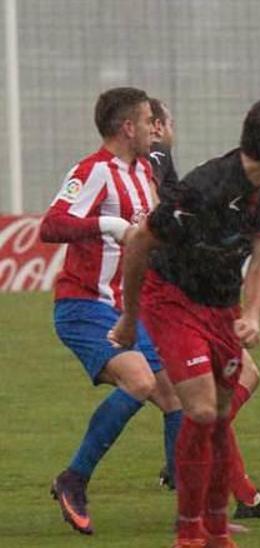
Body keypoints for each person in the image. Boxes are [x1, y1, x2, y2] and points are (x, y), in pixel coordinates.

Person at [109, 96, 260, 547]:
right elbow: (141, 242)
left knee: (219, 416)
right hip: (173, 299)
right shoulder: (205, 188)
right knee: (200, 410)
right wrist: (129, 316)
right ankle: (188, 535)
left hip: (222, 305)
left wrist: (254, 313)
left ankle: (217, 532)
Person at [39, 87, 181, 536]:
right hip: (83, 305)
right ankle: (72, 480)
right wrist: (106, 223)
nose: (152, 129)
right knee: (140, 381)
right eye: (146, 122)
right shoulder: (94, 171)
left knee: (177, 396)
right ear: (127, 127)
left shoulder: (143, 173)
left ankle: (192, 509)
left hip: (127, 309)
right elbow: (51, 225)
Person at [147, 98, 260, 521]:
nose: (166, 129)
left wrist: (251, 312)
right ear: (152, 125)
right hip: (164, 291)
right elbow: (150, 226)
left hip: (206, 295)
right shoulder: (164, 161)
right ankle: (202, 494)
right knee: (181, 401)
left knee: (213, 400)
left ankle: (231, 490)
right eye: (159, 121)